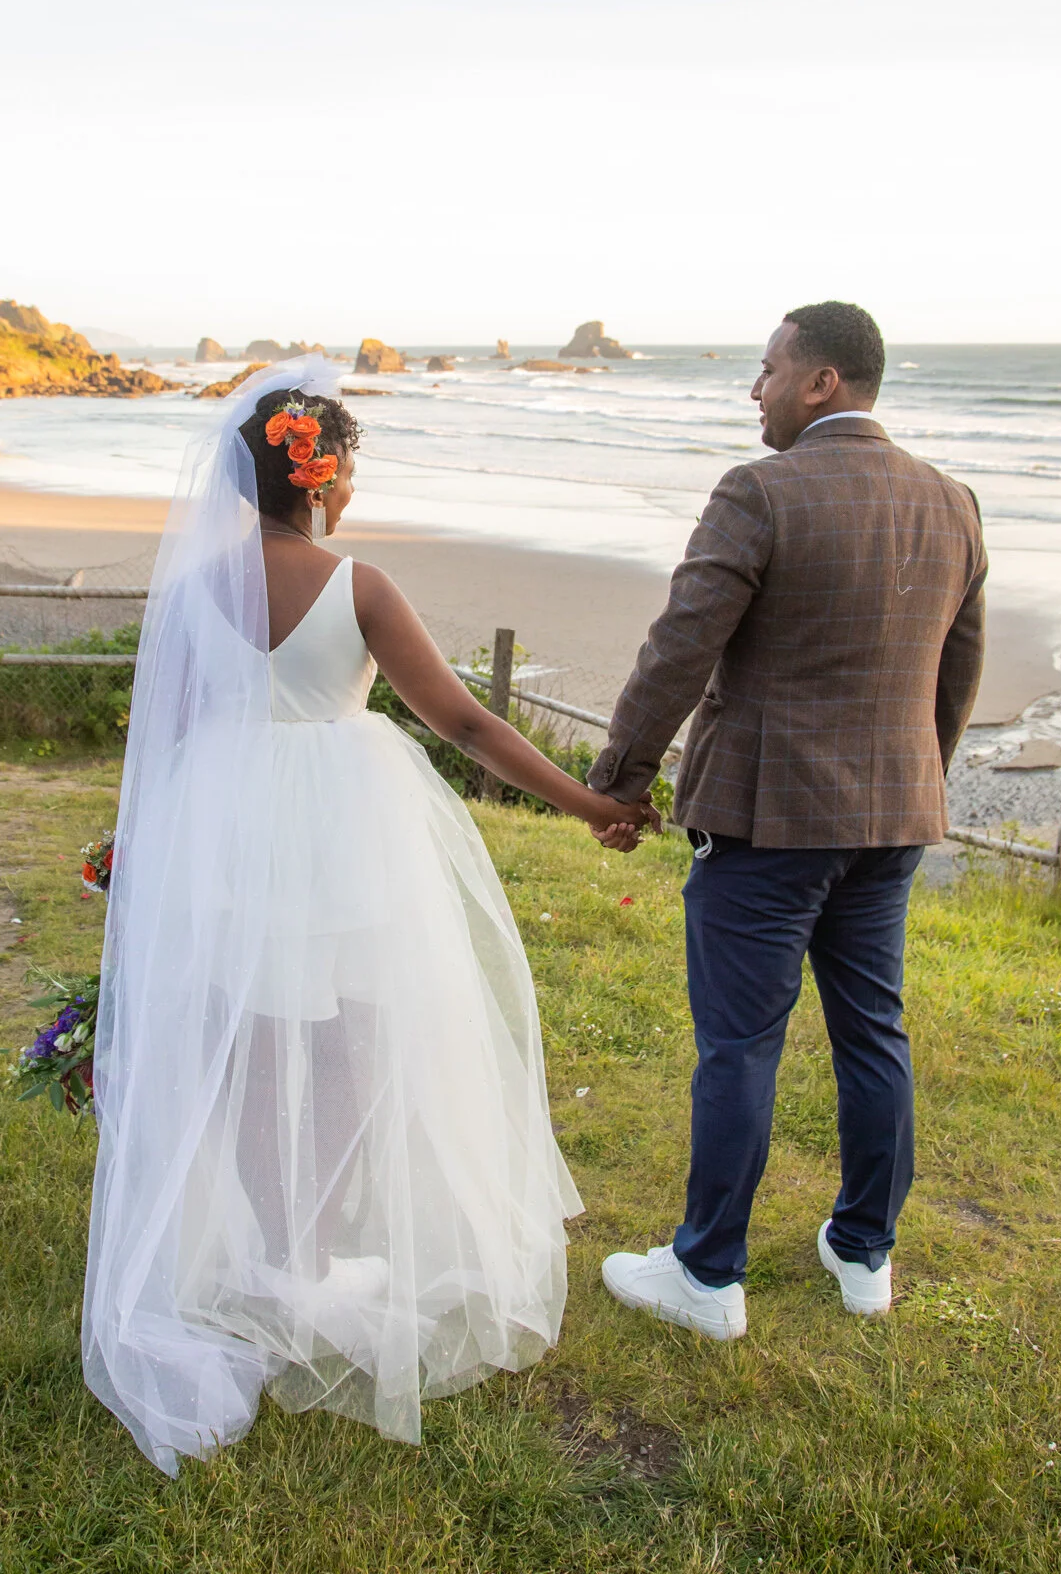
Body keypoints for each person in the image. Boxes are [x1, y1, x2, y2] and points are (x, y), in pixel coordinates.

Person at [82, 355, 653, 1475]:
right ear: (321, 477)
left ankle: (267, 1251)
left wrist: (146, 852)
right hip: (345, 826)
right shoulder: (361, 586)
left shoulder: (194, 584)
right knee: (353, 1034)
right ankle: (303, 1253)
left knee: (249, 1038)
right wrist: (589, 802)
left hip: (223, 823)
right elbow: (468, 727)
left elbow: (171, 728)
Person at [588, 302, 986, 1341]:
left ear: (821, 383)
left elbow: (679, 646)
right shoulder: (953, 502)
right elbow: (955, 673)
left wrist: (619, 776)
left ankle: (706, 1274)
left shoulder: (758, 491)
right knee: (873, 1032)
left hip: (767, 822)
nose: (752, 388)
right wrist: (909, 784)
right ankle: (864, 1251)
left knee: (739, 1047)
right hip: (890, 817)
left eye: (766, 369)